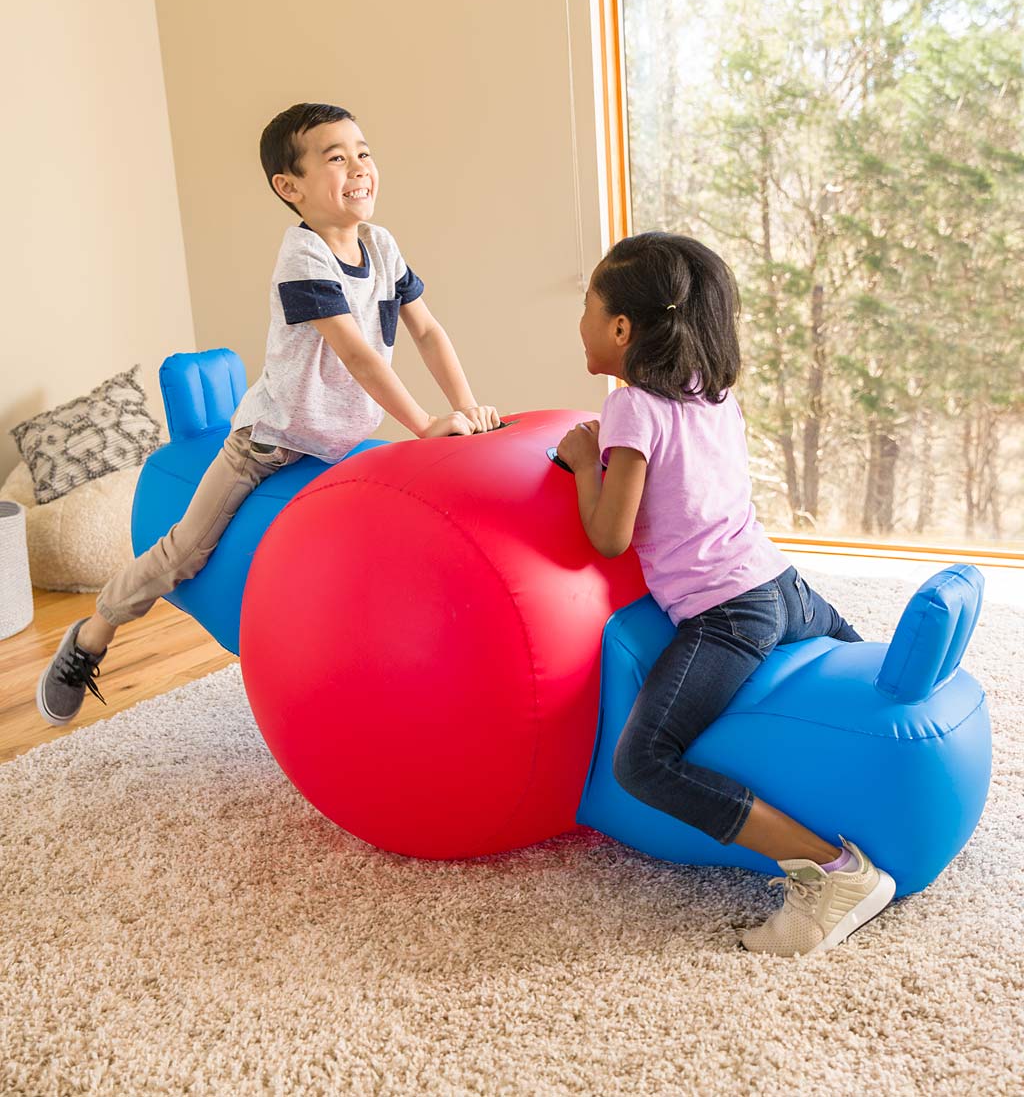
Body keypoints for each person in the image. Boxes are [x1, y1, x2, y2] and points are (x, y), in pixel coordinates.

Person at [38, 101, 500, 725]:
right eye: (336, 158)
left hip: (340, 440)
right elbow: (360, 356)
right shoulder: (303, 258)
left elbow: (427, 331)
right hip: (269, 441)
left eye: (363, 152)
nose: (359, 167)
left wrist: (465, 408)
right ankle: (89, 639)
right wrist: (424, 425)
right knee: (182, 553)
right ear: (291, 187)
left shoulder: (382, 246)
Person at [555, 231, 895, 957]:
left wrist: (585, 462)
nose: (578, 323)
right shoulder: (712, 394)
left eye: (585, 307)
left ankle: (836, 875)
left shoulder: (629, 409)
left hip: (726, 614)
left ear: (622, 329)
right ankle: (892, 766)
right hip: (783, 588)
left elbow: (610, 537)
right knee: (862, 680)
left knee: (641, 763)